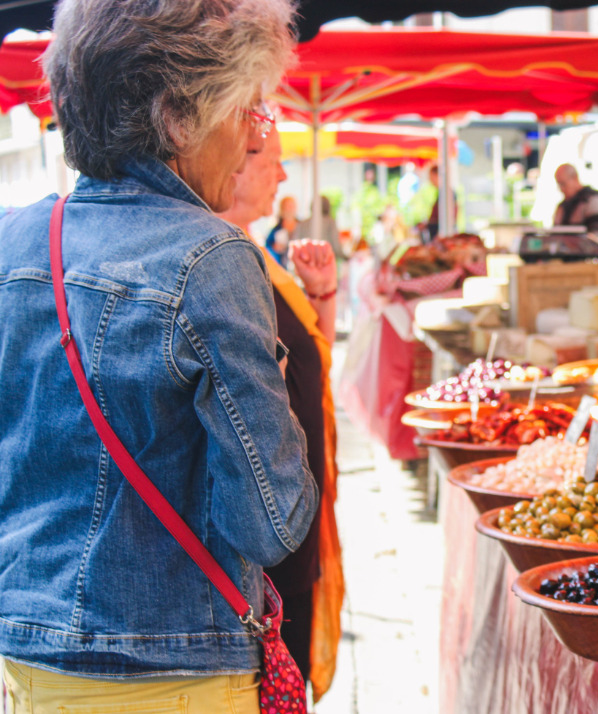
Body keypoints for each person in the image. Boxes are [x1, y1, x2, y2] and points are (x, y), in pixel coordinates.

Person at [0, 1, 317, 711]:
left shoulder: (14, 241)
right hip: (173, 674)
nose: (249, 140)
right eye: (247, 113)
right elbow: (272, 522)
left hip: (24, 662)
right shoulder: (211, 256)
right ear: (180, 116)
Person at [218, 128, 344, 698]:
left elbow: (305, 369)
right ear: (230, 165)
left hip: (289, 511)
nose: (285, 175)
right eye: (272, 160)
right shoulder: (219, 263)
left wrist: (321, 295)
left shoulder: (253, 255)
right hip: (264, 533)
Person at [553, 163, 598, 235]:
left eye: (563, 184)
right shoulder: (562, 206)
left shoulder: (592, 199)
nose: (561, 189)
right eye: (559, 184)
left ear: (575, 178)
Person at [421, 163, 457, 243]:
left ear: (437, 176)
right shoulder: (442, 192)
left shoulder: (447, 193)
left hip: (441, 236)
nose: (430, 180)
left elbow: (449, 216)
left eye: (431, 177)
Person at [266, 194, 298, 266]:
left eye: (292, 206)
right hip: (282, 266)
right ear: (282, 208)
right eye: (287, 206)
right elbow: (268, 247)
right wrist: (274, 248)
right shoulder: (276, 230)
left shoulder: (301, 226)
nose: (290, 209)